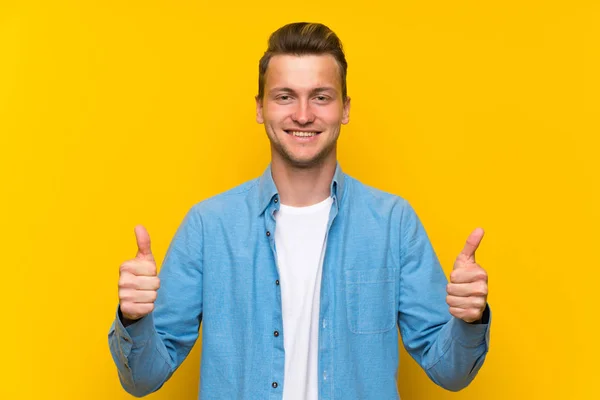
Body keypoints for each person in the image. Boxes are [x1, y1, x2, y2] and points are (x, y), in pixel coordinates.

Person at [108, 22, 491, 400]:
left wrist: (469, 321)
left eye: (321, 97)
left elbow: (450, 373)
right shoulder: (209, 227)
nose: (303, 115)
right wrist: (134, 320)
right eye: (285, 96)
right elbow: (142, 380)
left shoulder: (393, 223)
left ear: (345, 109)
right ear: (260, 108)